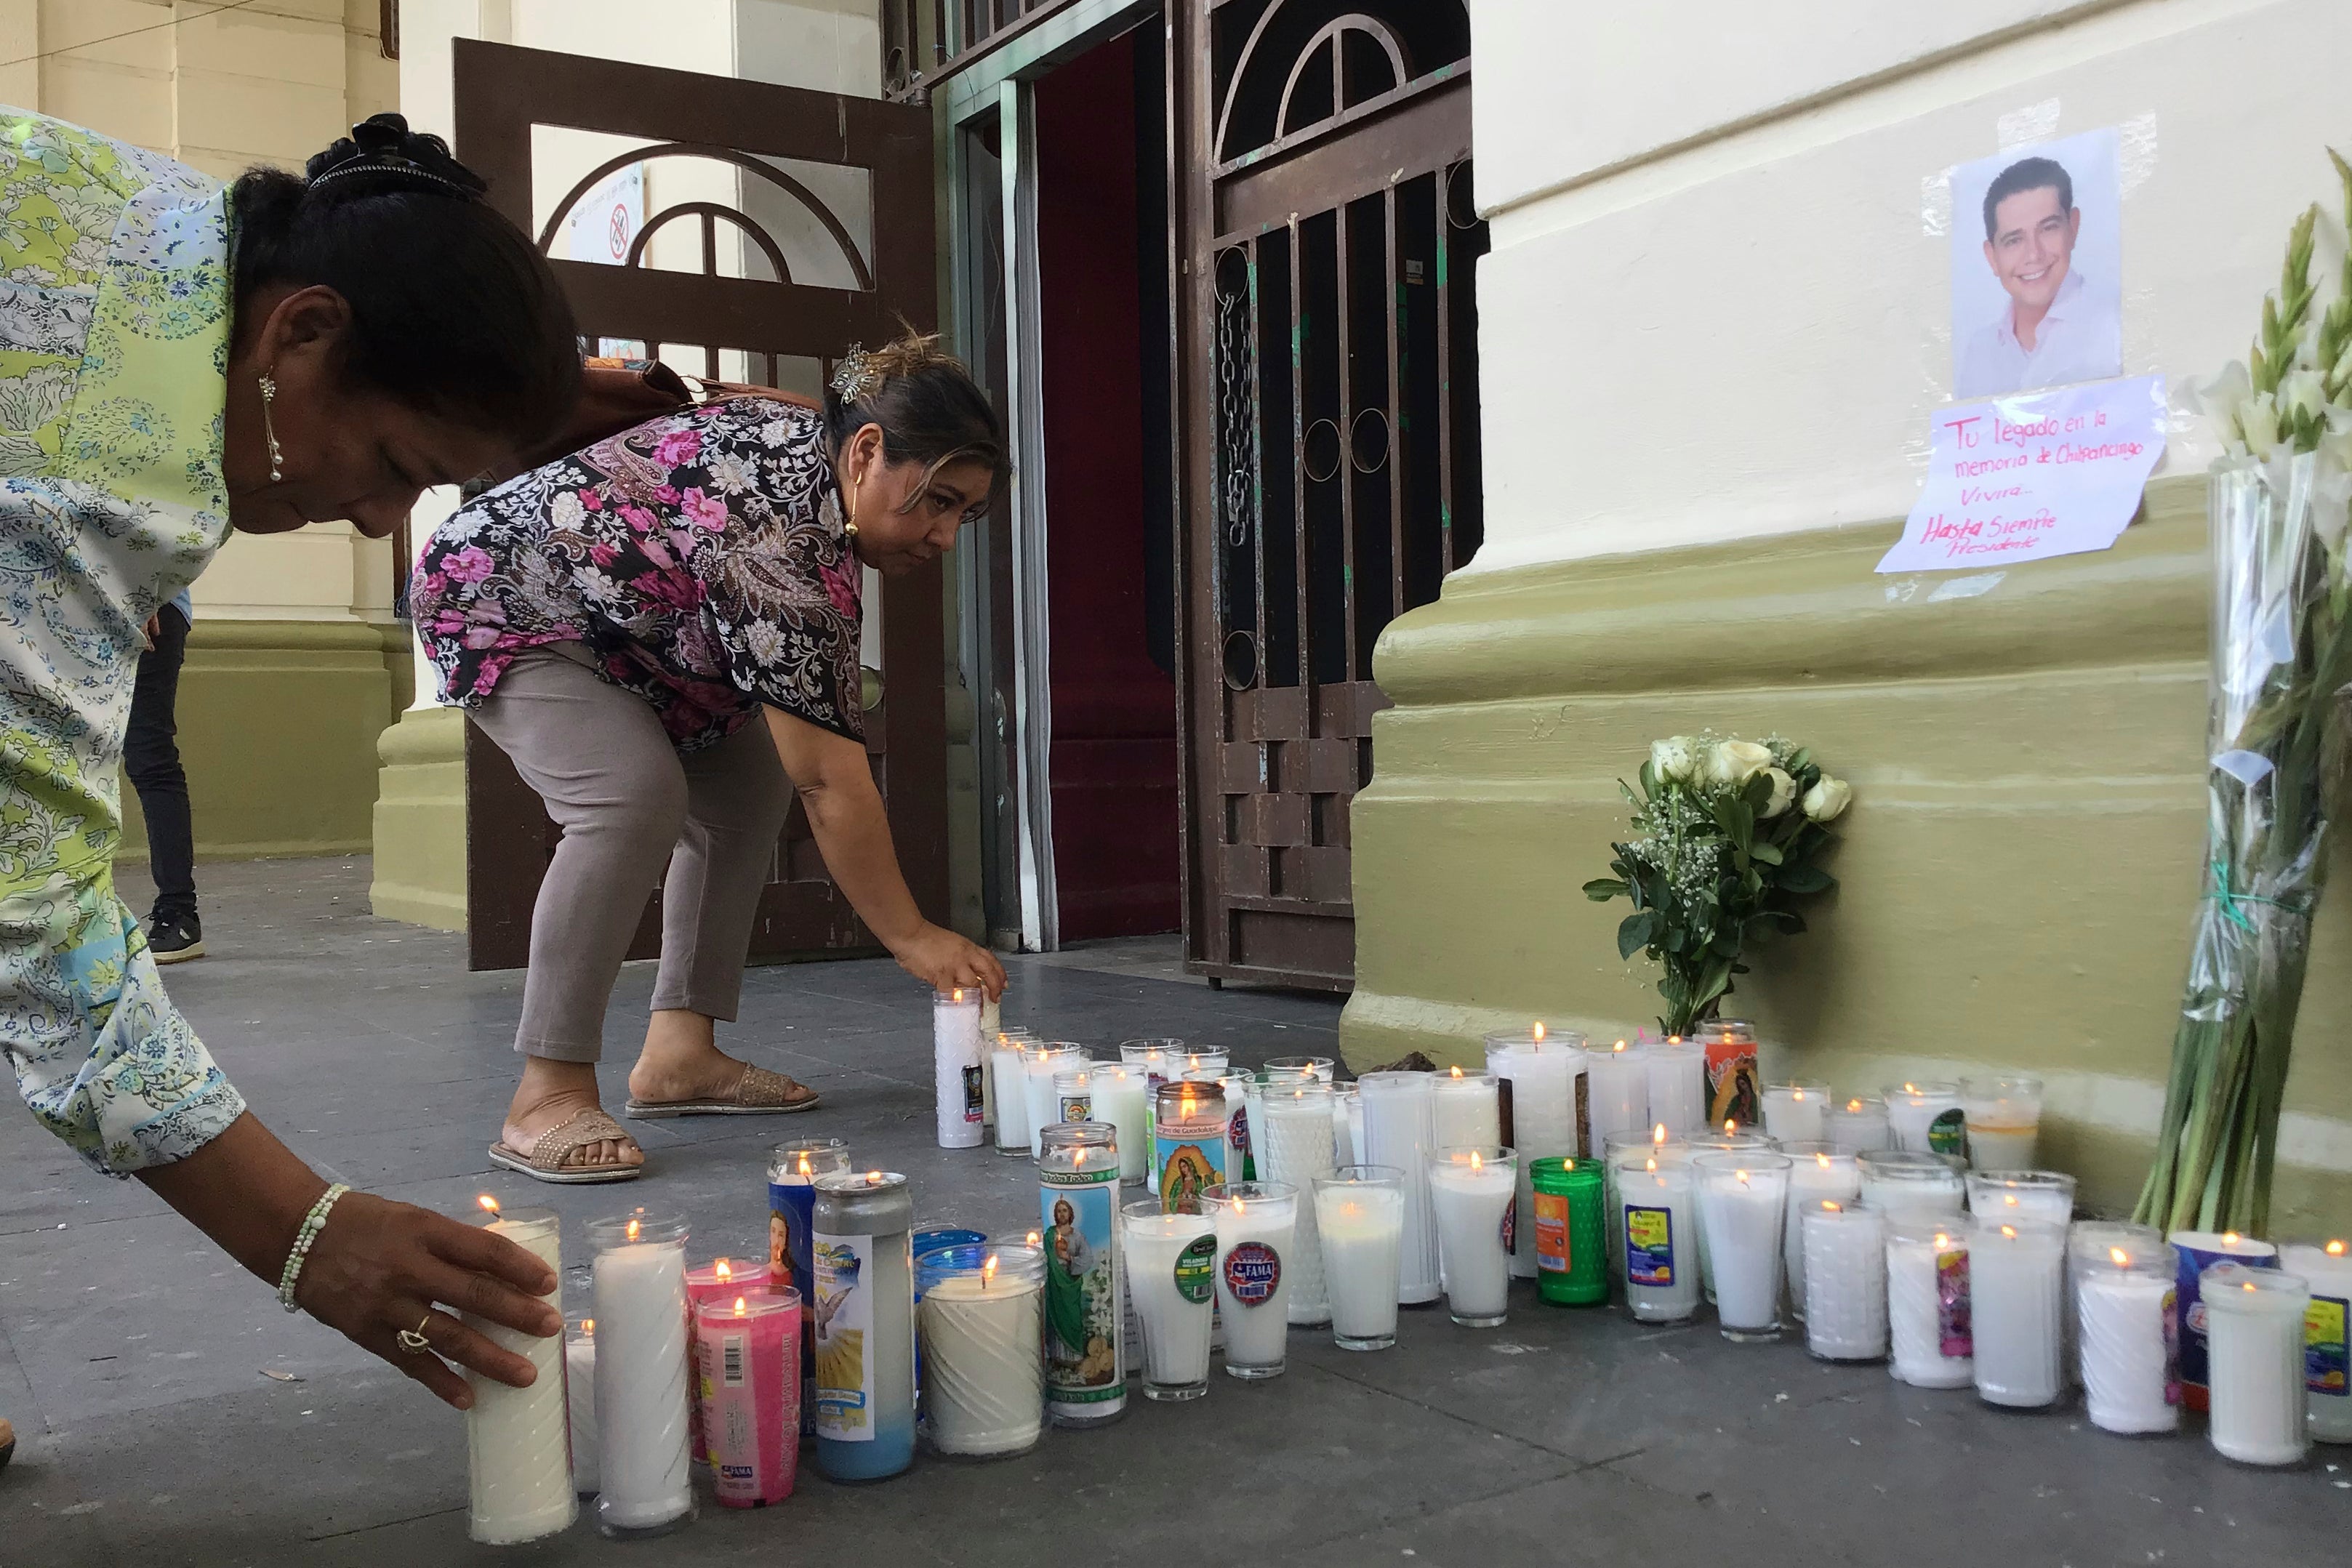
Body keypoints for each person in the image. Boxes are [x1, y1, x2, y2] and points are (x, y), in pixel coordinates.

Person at [0, 108, 583, 1424]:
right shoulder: (107, 451)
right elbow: (31, 915)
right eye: (391, 466)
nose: (380, 516)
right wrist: (303, 1230)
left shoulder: (170, 231)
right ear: (303, 332)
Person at [413, 334, 1010, 1184]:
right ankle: (545, 1091)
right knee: (629, 799)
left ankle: (679, 1054)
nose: (946, 537)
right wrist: (911, 937)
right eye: (938, 501)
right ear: (869, 453)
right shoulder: (783, 539)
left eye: (964, 513)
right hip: (501, 595)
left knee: (746, 780)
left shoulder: (825, 452)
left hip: (632, 629)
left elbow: (798, 755)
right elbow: (828, 776)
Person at [1955, 154, 2122, 398]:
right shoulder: (1979, 352)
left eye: (2048, 228)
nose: (2034, 254)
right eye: (2013, 240)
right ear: (1992, 258)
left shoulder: (2117, 323)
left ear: (2073, 228)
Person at [127, 588, 202, 962]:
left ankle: (178, 912)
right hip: (60, 605)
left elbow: (182, 531)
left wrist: (145, 590)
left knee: (148, 752)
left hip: (152, 601)